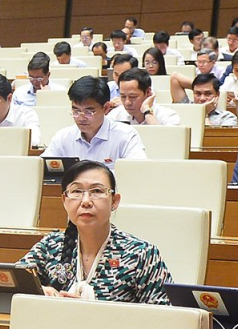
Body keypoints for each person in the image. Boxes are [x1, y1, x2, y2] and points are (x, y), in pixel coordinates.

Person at [13, 160, 171, 304]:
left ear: (114, 201)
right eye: (76, 191)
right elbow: (11, 283)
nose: (86, 201)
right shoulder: (52, 245)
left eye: (96, 191)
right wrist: (40, 291)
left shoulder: (141, 254)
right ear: (64, 201)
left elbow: (165, 313)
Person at [44, 76, 145, 163]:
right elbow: (43, 168)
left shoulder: (126, 135)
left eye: (89, 112)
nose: (81, 118)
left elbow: (136, 172)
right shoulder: (63, 137)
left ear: (106, 108)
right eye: (76, 111)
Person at [114, 69, 181, 129]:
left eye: (133, 97)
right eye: (123, 96)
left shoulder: (168, 116)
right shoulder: (115, 115)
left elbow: (165, 140)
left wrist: (147, 111)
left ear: (148, 92)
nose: (127, 102)